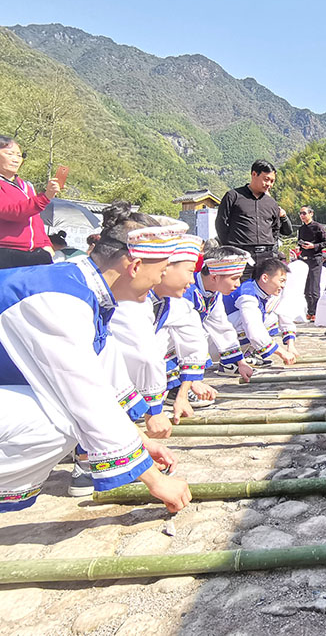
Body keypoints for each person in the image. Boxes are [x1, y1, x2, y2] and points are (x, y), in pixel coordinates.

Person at [0, 202, 192, 512]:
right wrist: (156, 481)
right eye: (162, 269)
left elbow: (106, 382)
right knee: (58, 421)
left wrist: (141, 442)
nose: (163, 277)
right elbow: (86, 398)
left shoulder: (83, 290)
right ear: (135, 266)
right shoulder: (61, 300)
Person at [110, 232, 212, 439]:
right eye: (190, 271)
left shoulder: (171, 302)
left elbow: (195, 342)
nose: (192, 280)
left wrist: (182, 396)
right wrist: (154, 412)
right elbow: (143, 355)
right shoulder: (130, 301)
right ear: (165, 268)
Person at [183, 244, 255, 382]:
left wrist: (241, 363)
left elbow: (221, 326)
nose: (238, 284)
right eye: (234, 278)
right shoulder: (186, 291)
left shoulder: (213, 293)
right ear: (214, 277)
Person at [214, 159, 293, 277]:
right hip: (240, 255)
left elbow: (275, 229)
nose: (269, 185)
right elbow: (221, 223)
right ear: (254, 174)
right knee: (239, 290)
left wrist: (272, 249)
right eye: (266, 179)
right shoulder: (233, 196)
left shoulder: (271, 203)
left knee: (265, 292)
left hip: (266, 256)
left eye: (272, 181)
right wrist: (231, 248)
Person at [0, 136, 61, 269]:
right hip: (6, 253)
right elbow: (12, 212)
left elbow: (35, 220)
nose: (16, 159)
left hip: (34, 253)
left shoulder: (27, 186)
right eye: (9, 154)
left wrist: (46, 243)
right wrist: (46, 196)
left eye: (19, 155)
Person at [223, 257, 298, 365]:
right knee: (252, 322)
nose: (282, 285)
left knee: (272, 319)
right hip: (219, 342)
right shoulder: (248, 294)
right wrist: (281, 352)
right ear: (265, 278)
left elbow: (284, 317)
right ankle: (230, 360)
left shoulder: (268, 293)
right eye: (281, 281)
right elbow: (253, 329)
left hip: (229, 334)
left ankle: (245, 356)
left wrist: (290, 345)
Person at [296, 205, 326, 321]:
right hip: (304, 258)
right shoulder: (301, 229)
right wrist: (300, 246)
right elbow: (299, 241)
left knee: (314, 287)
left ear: (311, 214)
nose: (302, 216)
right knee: (306, 287)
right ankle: (310, 311)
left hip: (316, 258)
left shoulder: (318, 227)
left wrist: (314, 246)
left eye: (304, 213)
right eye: (300, 213)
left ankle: (316, 311)